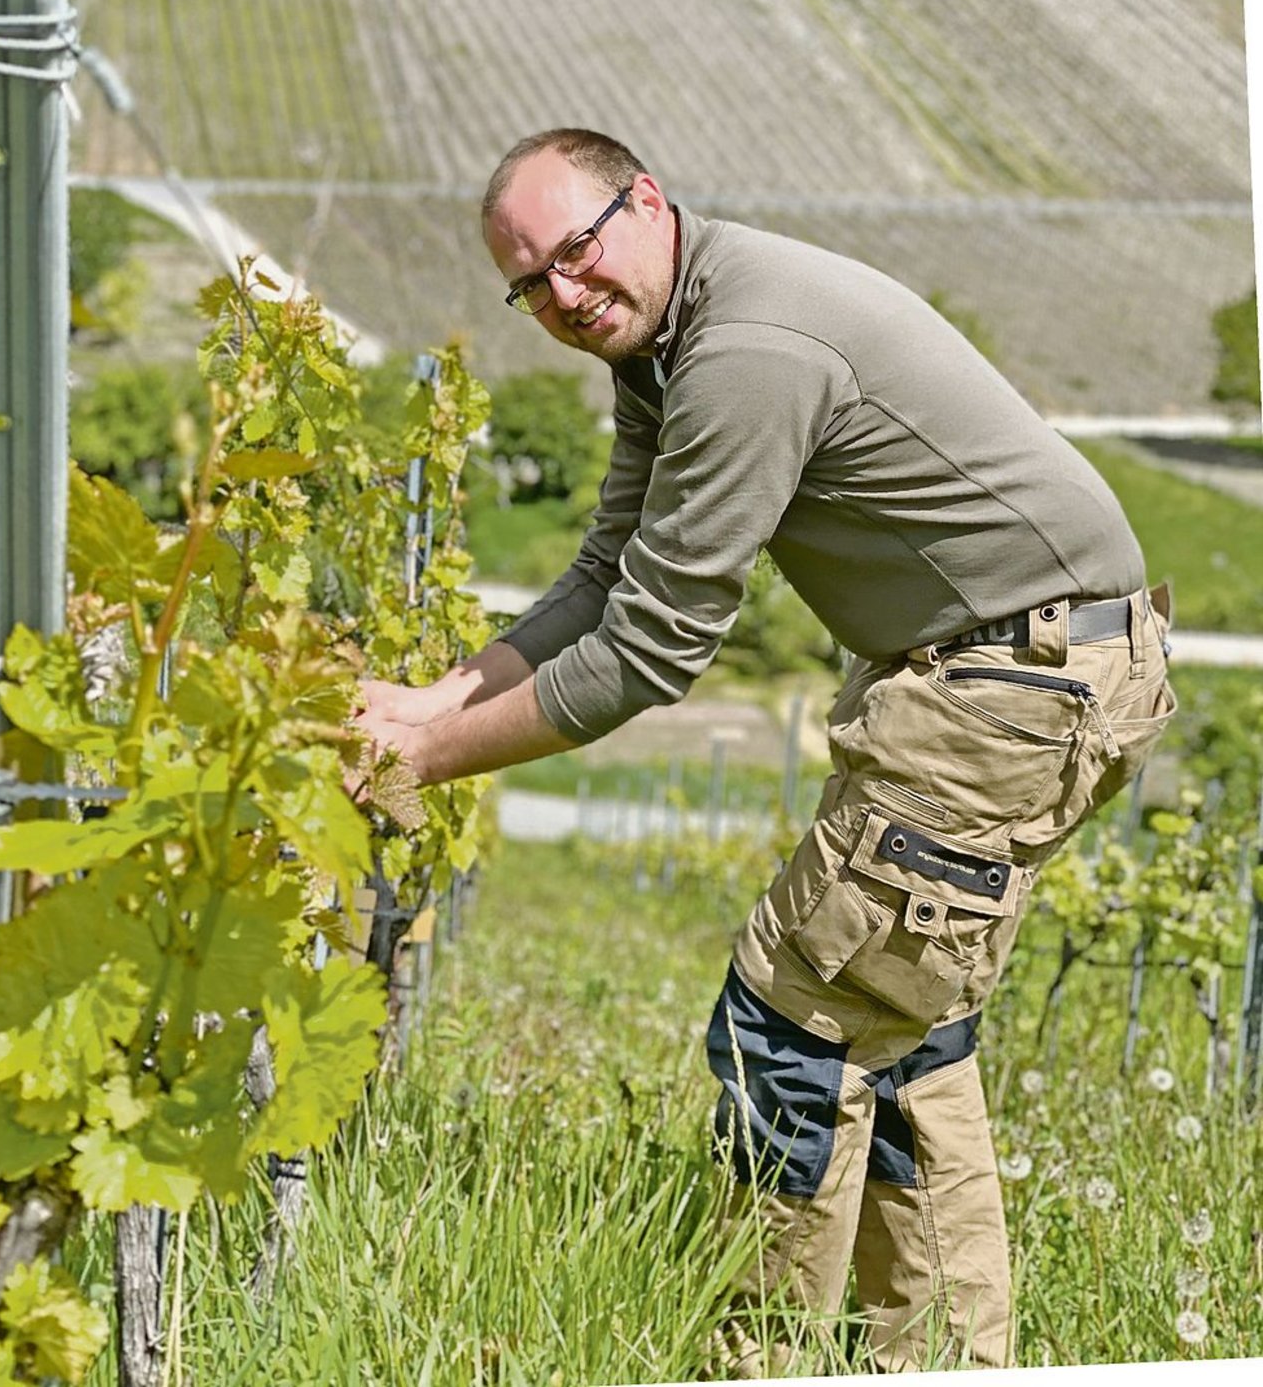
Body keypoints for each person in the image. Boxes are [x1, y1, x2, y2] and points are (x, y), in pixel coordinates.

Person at [354, 127, 1175, 1375]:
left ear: (645, 201)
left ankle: (759, 1354)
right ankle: (943, 1354)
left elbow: (650, 649)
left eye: (575, 252)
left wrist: (425, 762)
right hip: (1016, 674)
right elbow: (602, 579)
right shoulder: (668, 339)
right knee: (891, 1030)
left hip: (1011, 686)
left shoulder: (743, 349)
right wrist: (426, 702)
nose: (562, 298)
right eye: (529, 286)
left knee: (785, 1029)